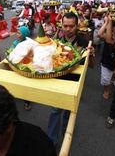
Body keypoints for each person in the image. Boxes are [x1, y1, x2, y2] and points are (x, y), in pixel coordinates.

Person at [47, 12, 94, 146]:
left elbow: (91, 65)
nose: (67, 29)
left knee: (69, 110)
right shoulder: (56, 41)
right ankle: (52, 142)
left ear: (77, 26)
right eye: (65, 26)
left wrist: (91, 55)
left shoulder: (84, 43)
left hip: (74, 83)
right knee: (55, 111)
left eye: (71, 26)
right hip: (58, 81)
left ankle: (66, 128)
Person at [9, 26, 32, 111]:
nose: (17, 34)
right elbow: (11, 51)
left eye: (19, 33)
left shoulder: (29, 43)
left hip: (26, 67)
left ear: (25, 34)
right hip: (16, 66)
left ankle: (27, 101)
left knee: (24, 85)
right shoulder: (16, 42)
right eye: (17, 32)